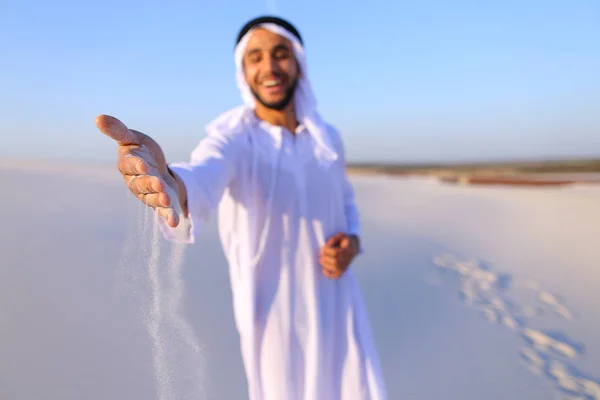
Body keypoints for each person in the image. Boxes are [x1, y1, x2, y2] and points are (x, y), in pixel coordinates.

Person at [96, 15, 387, 400]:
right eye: (255, 57)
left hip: (338, 305)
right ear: (243, 70)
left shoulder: (326, 138)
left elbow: (345, 199)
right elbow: (200, 178)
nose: (269, 67)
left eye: (280, 54)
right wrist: (167, 179)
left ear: (299, 62)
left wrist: (351, 241)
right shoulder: (233, 140)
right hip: (275, 322)